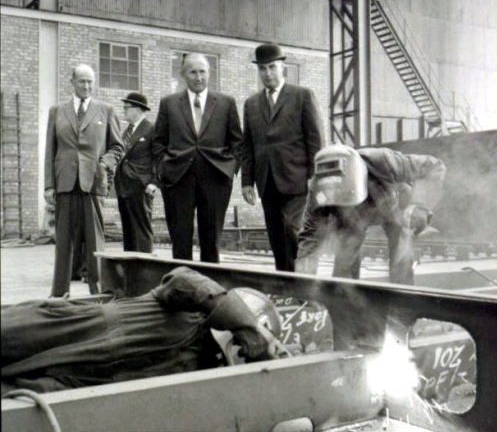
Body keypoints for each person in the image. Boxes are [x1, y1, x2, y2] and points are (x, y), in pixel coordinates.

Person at [1, 267, 286, 394]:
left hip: (81, 382)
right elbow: (182, 278)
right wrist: (249, 326)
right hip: (71, 328)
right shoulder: (189, 309)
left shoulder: (198, 372)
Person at [295, 144, 446, 285]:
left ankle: (402, 302)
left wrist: (420, 206)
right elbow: (309, 238)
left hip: (395, 204)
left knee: (401, 248)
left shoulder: (384, 161)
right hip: (351, 221)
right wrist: (304, 283)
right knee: (344, 267)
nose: (350, 210)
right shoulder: (319, 192)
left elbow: (434, 166)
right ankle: (346, 302)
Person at [152, 53, 243, 262]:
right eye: (192, 72)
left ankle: (209, 290)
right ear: (183, 74)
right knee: (180, 240)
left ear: (209, 73)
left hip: (216, 180)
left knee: (211, 242)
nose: (198, 77)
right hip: (177, 179)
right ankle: (182, 289)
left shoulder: (226, 103)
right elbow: (158, 142)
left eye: (202, 71)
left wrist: (229, 169)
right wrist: (164, 167)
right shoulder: (169, 103)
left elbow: (238, 142)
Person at [241, 43, 324, 272]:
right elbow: (247, 146)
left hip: (296, 179)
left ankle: (303, 284)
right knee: (276, 234)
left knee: (292, 230)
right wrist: (247, 181)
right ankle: (285, 284)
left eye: (272, 67)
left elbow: (316, 140)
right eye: (262, 69)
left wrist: (314, 177)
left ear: (282, 67)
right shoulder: (250, 104)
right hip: (266, 181)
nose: (267, 74)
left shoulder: (302, 96)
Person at [44, 64, 124, 296]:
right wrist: (49, 184)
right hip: (65, 181)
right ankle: (59, 293)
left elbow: (117, 147)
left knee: (95, 240)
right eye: (82, 81)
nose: (87, 86)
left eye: (90, 81)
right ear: (72, 82)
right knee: (64, 240)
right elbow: (50, 150)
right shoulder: (57, 111)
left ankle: (98, 290)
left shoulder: (106, 110)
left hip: (93, 182)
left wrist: (105, 162)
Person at [114, 92, 158, 253]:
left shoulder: (151, 129)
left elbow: (159, 157)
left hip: (141, 187)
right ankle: (131, 269)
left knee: (142, 230)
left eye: (127, 107)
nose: (123, 110)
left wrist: (154, 183)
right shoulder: (127, 131)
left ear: (138, 110)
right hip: (124, 186)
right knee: (128, 230)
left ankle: (145, 271)